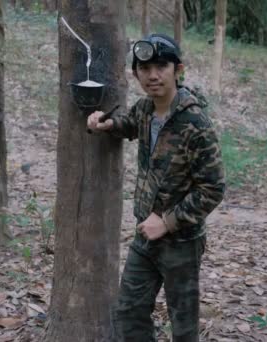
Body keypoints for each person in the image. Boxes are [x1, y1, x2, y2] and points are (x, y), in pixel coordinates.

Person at [87, 33, 226, 342]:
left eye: (161, 66)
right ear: (136, 73)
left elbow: (213, 188)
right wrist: (107, 124)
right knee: (129, 312)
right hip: (145, 237)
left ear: (178, 70)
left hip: (182, 242)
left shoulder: (195, 123)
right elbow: (130, 123)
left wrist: (166, 221)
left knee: (183, 326)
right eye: (144, 68)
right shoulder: (147, 109)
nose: (152, 75)